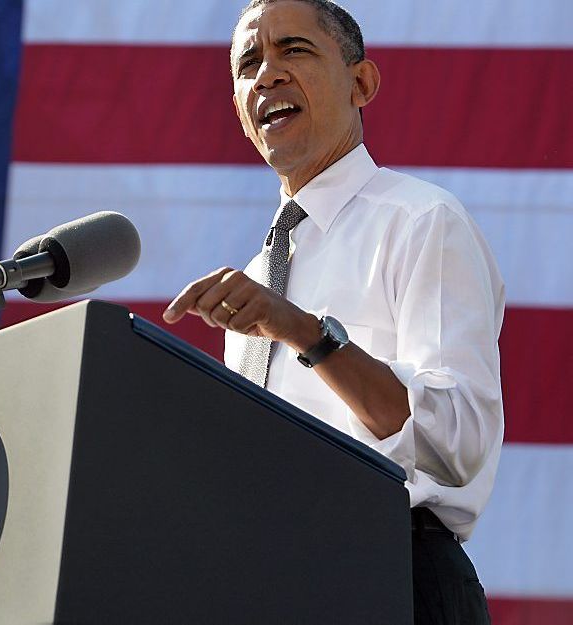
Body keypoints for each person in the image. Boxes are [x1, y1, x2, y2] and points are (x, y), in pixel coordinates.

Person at [162, 1, 504, 623]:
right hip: (269, 590)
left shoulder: (422, 222)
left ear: (362, 83)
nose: (267, 75)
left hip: (390, 578)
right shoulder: (259, 278)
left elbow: (456, 441)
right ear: (241, 114)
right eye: (248, 64)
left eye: (293, 50)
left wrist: (305, 332)